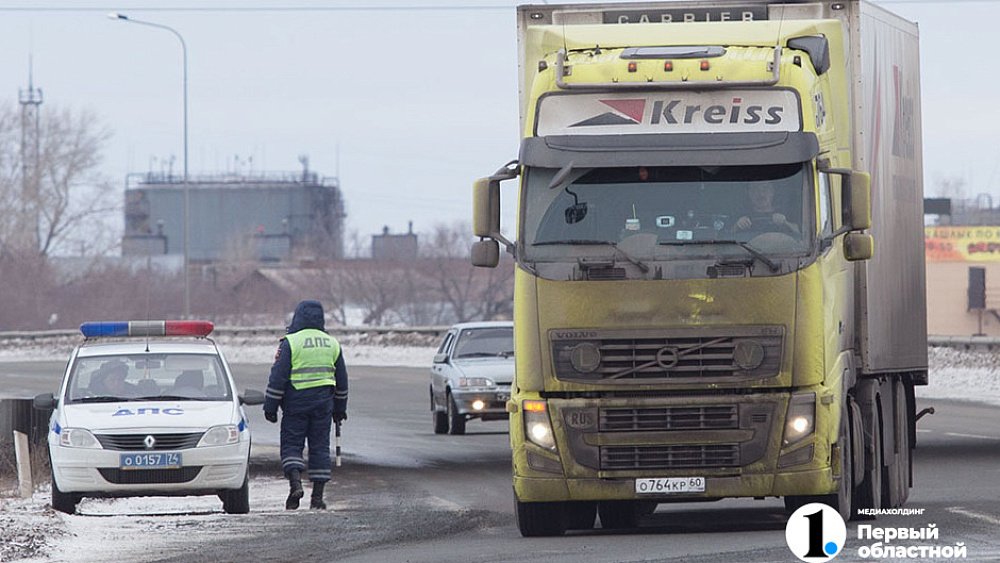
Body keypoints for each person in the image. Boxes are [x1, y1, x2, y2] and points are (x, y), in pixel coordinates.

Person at [263, 300, 348, 511]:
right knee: (319, 447)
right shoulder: (332, 343)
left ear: (297, 317)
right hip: (323, 405)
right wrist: (340, 409)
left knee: (292, 444)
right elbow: (342, 381)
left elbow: (278, 377)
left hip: (295, 404)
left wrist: (271, 406)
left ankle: (295, 484)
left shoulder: (291, 342)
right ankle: (317, 497)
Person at [733, 181, 800, 236]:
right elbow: (725, 236)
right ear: (749, 193)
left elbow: (801, 234)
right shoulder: (740, 214)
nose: (761, 193)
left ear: (773, 192)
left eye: (765, 188)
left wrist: (785, 223)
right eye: (755, 189)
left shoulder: (786, 212)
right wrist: (737, 226)